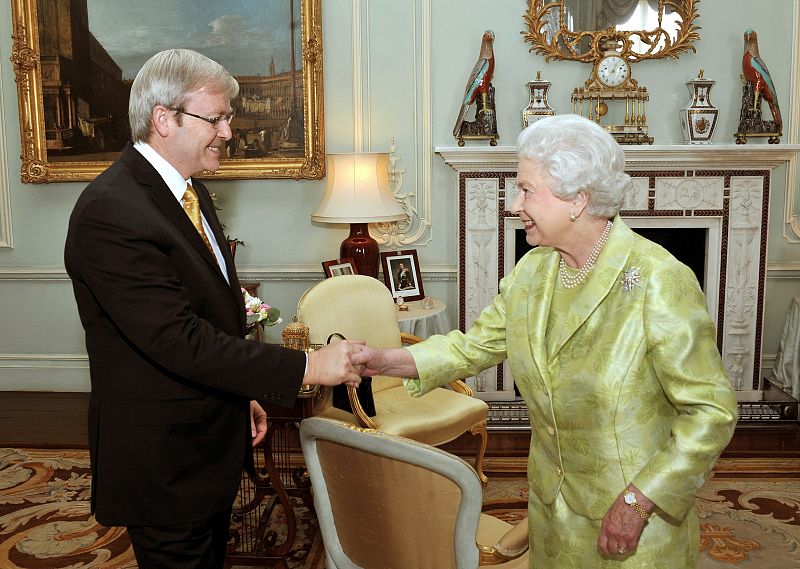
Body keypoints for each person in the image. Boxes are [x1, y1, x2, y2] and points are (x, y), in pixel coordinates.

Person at [352, 114, 738, 568]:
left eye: (526, 190)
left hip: (635, 521)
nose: (514, 204)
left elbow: (711, 412)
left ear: (577, 199)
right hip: (552, 513)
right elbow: (472, 347)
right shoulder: (532, 271)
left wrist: (638, 501)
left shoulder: (658, 279)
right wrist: (382, 360)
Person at [64, 49, 362, 569]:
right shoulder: (111, 211)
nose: (228, 132)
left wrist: (239, 395)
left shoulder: (190, 192)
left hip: (203, 441)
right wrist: (308, 366)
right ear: (164, 118)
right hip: (164, 461)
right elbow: (178, 341)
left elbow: (209, 312)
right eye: (216, 118)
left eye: (229, 118)